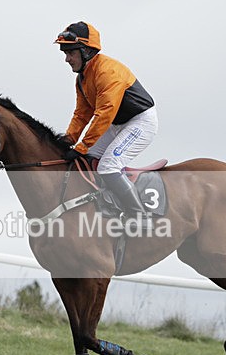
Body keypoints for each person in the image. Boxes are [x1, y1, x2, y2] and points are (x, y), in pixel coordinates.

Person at [55, 21, 158, 227]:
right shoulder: (82, 78)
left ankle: (140, 216)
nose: (66, 59)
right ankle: (109, 203)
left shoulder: (107, 72)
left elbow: (104, 113)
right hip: (116, 125)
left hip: (140, 122)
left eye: (70, 52)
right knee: (87, 160)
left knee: (108, 166)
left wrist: (82, 146)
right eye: (64, 52)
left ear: (85, 51)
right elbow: (82, 113)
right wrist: (69, 140)